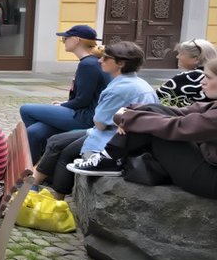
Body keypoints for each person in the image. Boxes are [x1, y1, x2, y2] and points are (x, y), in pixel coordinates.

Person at [72, 58, 217, 199]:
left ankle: (109, 158)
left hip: (211, 180)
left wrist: (130, 119)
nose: (202, 82)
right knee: (154, 112)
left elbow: (178, 126)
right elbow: (180, 112)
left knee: (153, 128)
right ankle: (109, 158)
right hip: (206, 162)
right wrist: (128, 112)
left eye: (208, 78)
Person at [35, 42, 157, 194]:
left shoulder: (119, 89)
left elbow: (100, 124)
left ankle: (56, 200)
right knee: (56, 141)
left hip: (114, 142)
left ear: (120, 63)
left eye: (105, 58)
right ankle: (34, 185)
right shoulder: (139, 83)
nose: (100, 60)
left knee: (65, 153)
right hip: (125, 137)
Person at [19, 24, 108, 160]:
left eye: (65, 39)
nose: (63, 42)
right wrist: (65, 103)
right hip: (86, 112)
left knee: (26, 109)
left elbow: (82, 101)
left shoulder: (88, 64)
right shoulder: (92, 61)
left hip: (87, 117)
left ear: (76, 40)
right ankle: (37, 167)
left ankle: (42, 155)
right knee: (34, 132)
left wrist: (62, 106)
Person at [157, 39, 217, 104]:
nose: (177, 57)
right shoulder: (209, 75)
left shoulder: (189, 77)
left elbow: (157, 97)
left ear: (196, 58)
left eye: (181, 54)